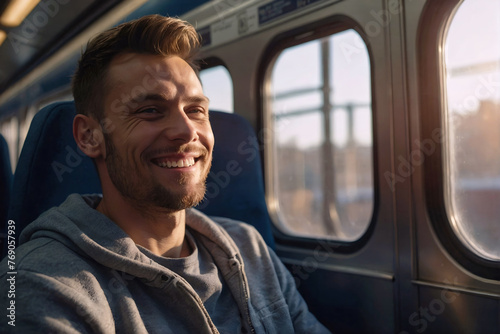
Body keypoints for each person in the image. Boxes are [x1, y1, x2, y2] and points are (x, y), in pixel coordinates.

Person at [0, 15, 330, 333]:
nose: (187, 132)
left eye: (196, 111)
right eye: (151, 111)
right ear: (90, 136)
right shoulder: (43, 283)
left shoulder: (249, 248)